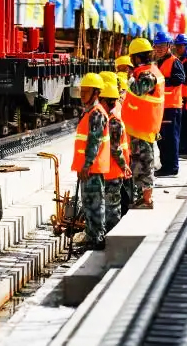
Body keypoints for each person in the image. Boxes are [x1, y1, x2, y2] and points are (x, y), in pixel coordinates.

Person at [122, 38, 166, 209]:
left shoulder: (149, 73)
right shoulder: (147, 70)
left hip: (143, 126)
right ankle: (143, 197)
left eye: (132, 57)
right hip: (140, 125)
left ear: (138, 58)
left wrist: (130, 77)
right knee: (139, 164)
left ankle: (147, 200)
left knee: (145, 164)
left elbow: (139, 89)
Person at [71, 73, 110, 251]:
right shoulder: (89, 113)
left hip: (92, 169)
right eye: (82, 91)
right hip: (87, 168)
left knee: (95, 205)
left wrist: (87, 165)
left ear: (96, 93)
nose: (82, 95)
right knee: (88, 205)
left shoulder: (96, 114)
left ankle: (97, 240)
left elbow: (94, 141)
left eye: (86, 92)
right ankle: (91, 237)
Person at [99, 74, 132, 231]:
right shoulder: (112, 119)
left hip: (109, 170)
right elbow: (115, 148)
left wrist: (124, 165)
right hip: (112, 171)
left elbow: (114, 147)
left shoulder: (108, 119)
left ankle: (108, 235)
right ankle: (110, 234)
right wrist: (124, 165)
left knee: (110, 207)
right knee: (112, 207)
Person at [153, 31, 186, 177]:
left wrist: (161, 81)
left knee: (170, 139)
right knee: (161, 139)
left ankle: (172, 167)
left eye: (161, 46)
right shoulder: (158, 63)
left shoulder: (174, 62)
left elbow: (180, 78)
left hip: (171, 108)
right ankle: (165, 165)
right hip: (162, 107)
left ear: (168, 46)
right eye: (156, 46)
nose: (158, 49)